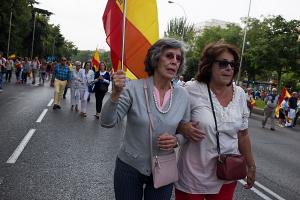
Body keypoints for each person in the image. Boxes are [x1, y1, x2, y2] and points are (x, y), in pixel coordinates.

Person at [100, 38, 190, 200]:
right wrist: (115, 95)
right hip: (129, 167)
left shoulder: (183, 95)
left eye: (178, 58)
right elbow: (107, 122)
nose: (174, 62)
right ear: (155, 59)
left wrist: (176, 140)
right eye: (169, 56)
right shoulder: (133, 88)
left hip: (164, 168)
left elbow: (185, 129)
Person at [175, 42, 256, 200]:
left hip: (226, 175)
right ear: (209, 65)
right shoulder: (190, 90)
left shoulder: (239, 94)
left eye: (232, 64)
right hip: (193, 176)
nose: (229, 68)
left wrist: (251, 164)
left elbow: (243, 135)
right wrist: (182, 127)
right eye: (223, 63)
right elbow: (167, 119)